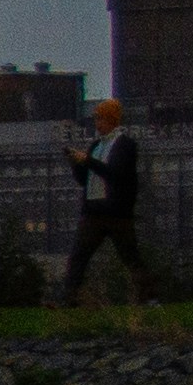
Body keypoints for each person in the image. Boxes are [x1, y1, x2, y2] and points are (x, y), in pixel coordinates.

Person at [69, 96, 151, 303]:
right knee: (79, 257)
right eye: (96, 119)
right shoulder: (96, 145)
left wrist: (88, 161)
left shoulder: (125, 145)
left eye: (101, 119)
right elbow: (84, 180)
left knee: (130, 257)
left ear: (112, 120)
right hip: (93, 212)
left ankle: (149, 297)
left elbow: (115, 174)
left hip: (116, 214)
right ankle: (67, 299)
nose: (98, 124)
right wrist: (76, 164)